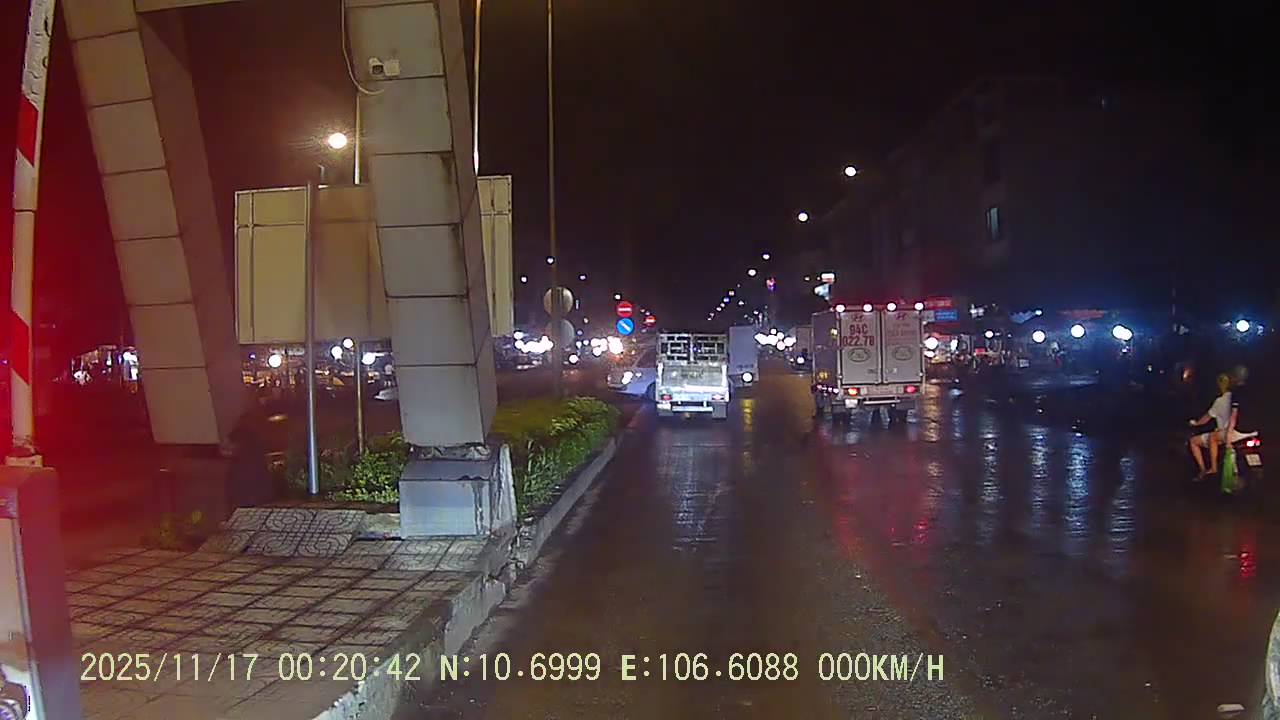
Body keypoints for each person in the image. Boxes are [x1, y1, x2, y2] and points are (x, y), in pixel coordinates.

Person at [1188, 373, 1233, 480]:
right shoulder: (1235, 398)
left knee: (1193, 441)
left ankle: (1205, 469)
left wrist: (1195, 423)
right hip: (1239, 433)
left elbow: (1207, 418)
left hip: (1226, 434)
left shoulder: (1220, 401)